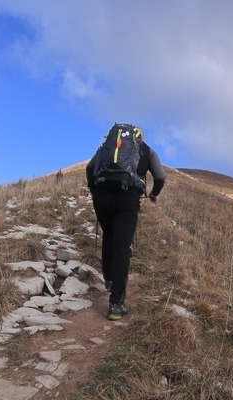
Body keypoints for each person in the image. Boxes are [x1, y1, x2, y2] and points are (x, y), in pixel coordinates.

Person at [86, 125, 166, 320]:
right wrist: (154, 194)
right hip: (127, 198)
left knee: (109, 236)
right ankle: (115, 304)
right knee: (122, 247)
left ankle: (109, 278)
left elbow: (89, 168)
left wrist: (94, 191)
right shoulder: (147, 150)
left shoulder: (107, 146)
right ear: (140, 137)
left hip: (102, 197)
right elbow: (160, 176)